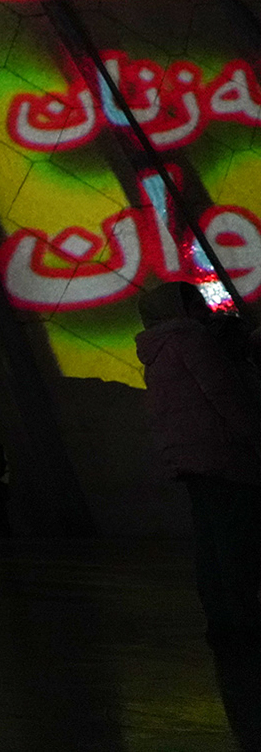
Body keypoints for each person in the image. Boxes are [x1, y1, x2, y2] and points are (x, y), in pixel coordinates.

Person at [137, 283, 259, 749]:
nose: (205, 309)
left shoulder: (155, 350)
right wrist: (254, 439)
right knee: (236, 540)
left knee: (210, 542)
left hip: (188, 457)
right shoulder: (191, 340)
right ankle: (246, 619)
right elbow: (224, 396)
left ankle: (223, 620)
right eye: (196, 302)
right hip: (222, 453)